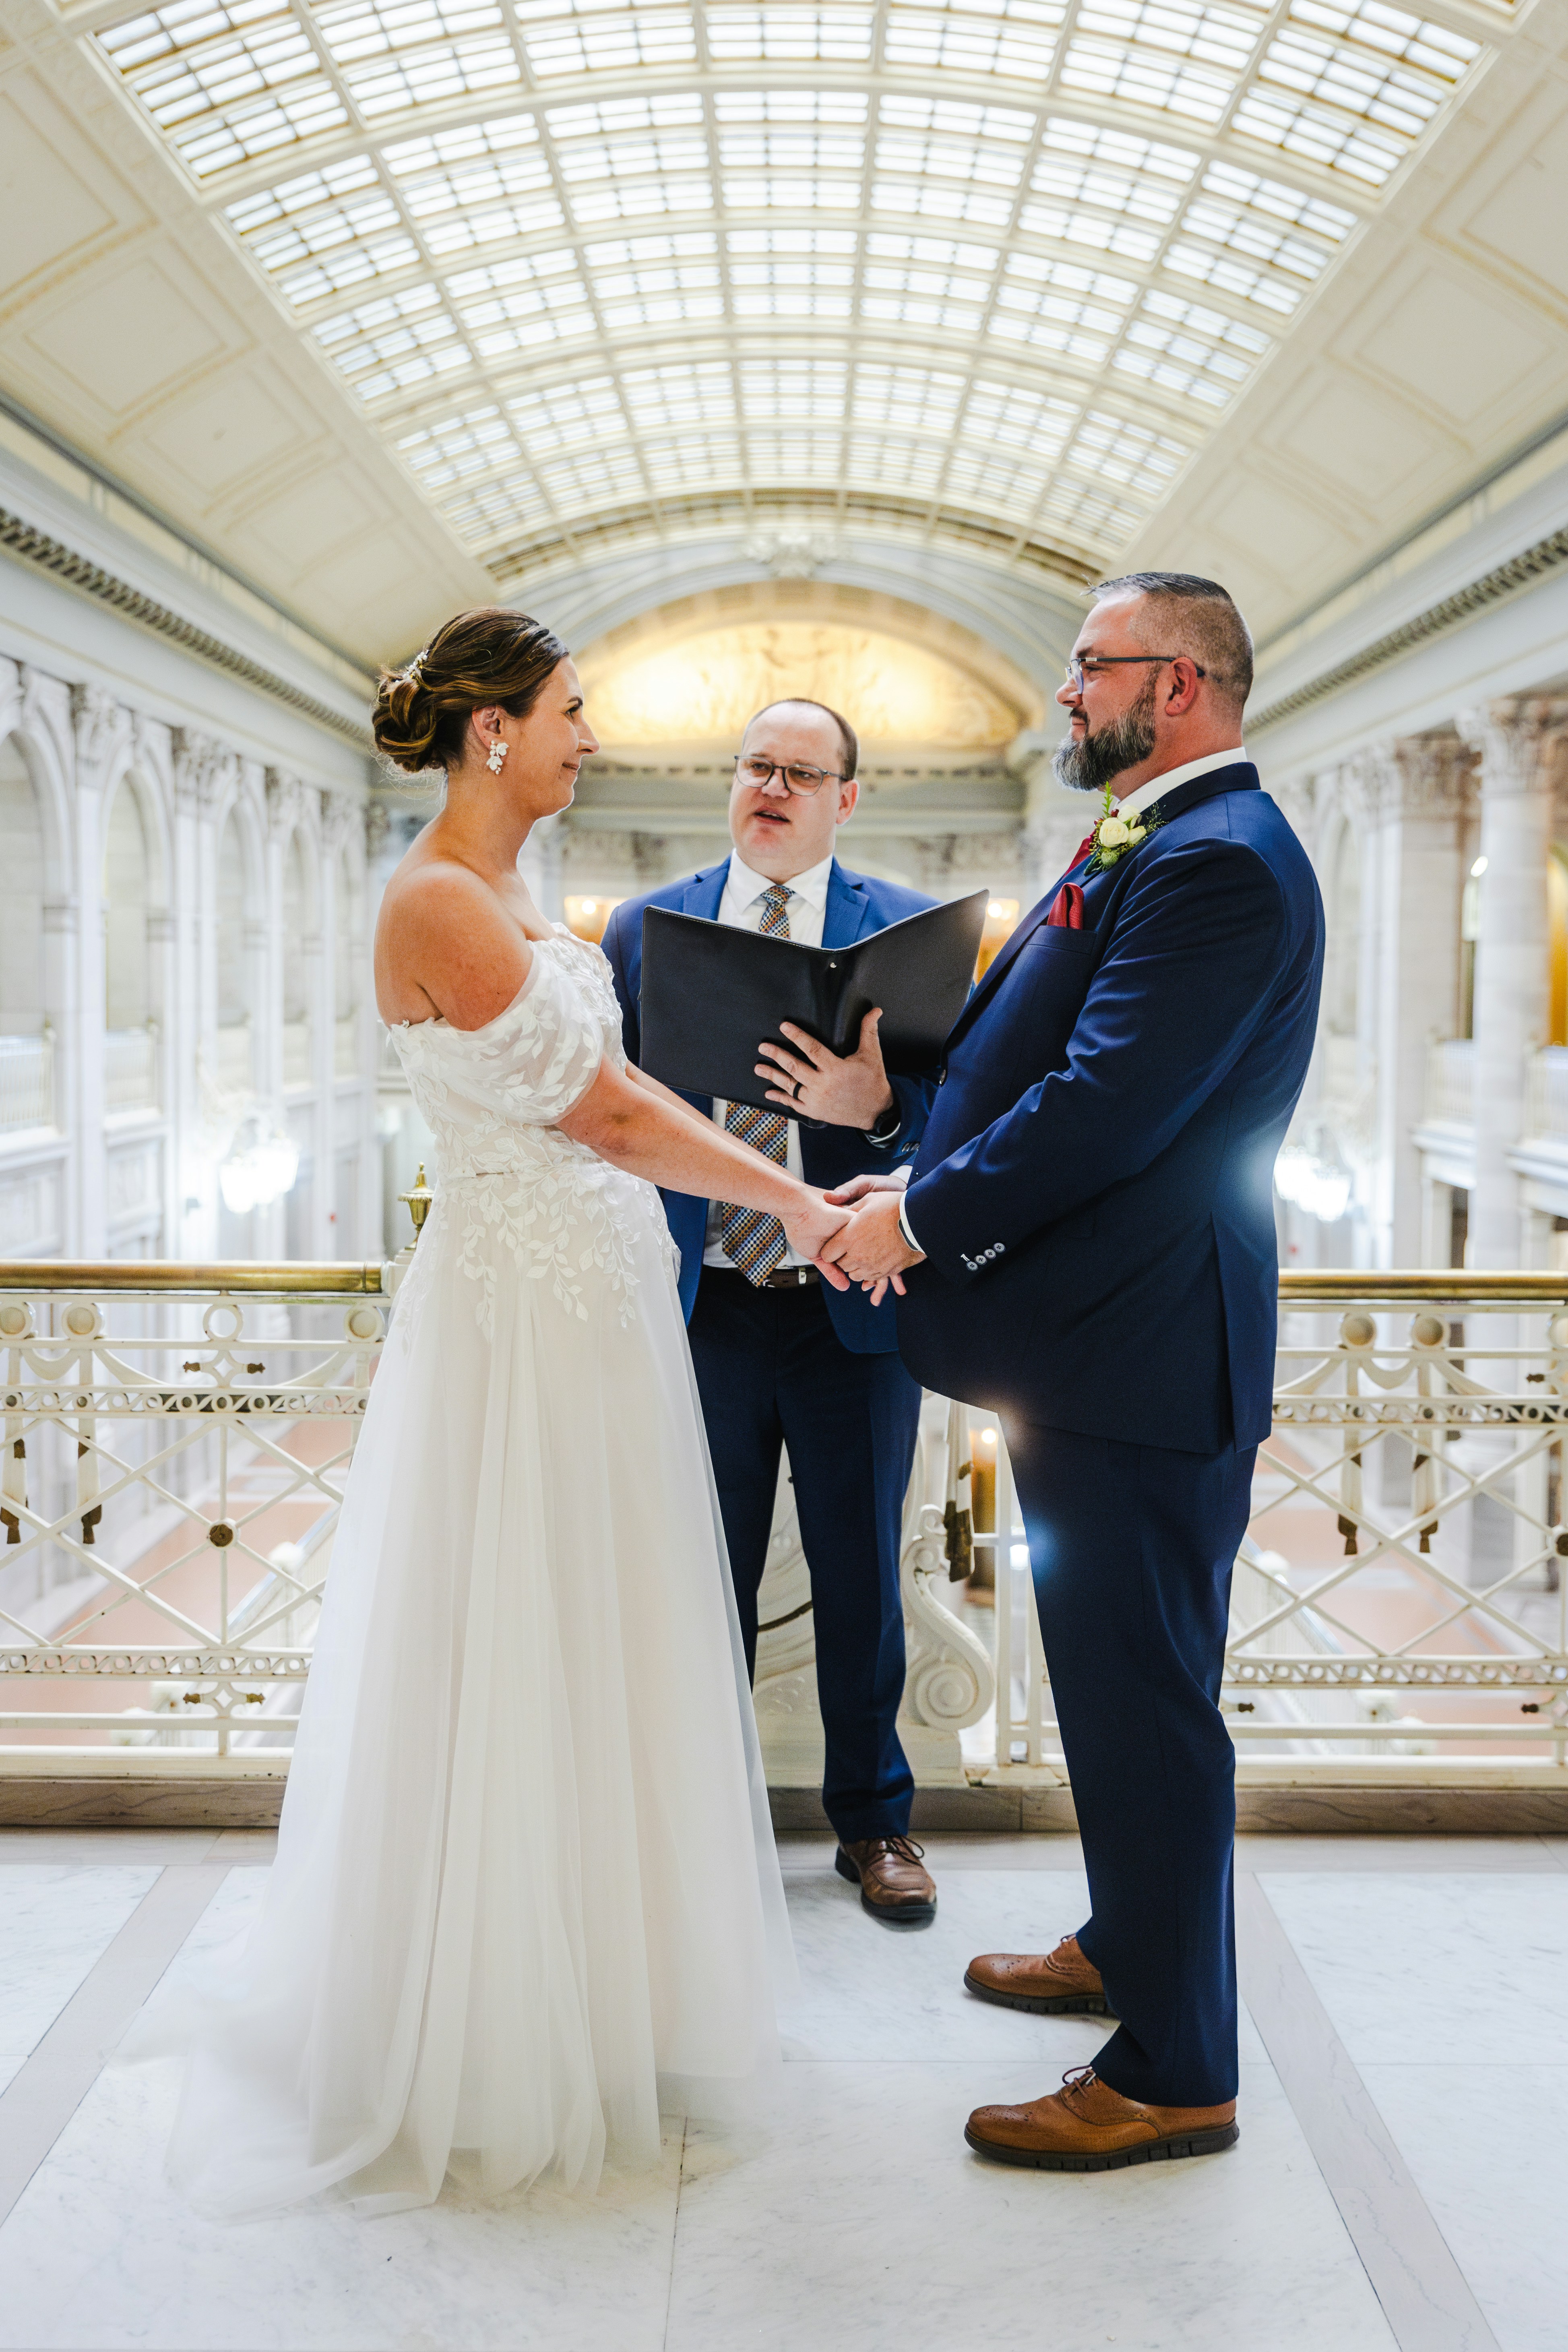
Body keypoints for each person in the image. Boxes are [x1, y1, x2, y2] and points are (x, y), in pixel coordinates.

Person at [144, 608, 854, 2218]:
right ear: (490, 736)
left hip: (597, 1307)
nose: (585, 739)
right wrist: (799, 1212)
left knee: (604, 1630)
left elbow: (637, 1097)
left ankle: (616, 1993)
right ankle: (495, 2031)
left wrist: (783, 1180)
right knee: (519, 1628)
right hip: (519, 1324)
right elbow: (602, 1117)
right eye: (566, 713)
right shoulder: (438, 905)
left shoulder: (521, 896)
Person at [822, 572, 1324, 2169]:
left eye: (1083, 669)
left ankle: (1176, 2070)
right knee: (1114, 1698)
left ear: (1174, 684)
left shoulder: (1220, 867)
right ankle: (1129, 1943)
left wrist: (913, 1215)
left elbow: (1104, 1108)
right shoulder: (1158, 840)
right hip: (1099, 1347)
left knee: (1147, 1708)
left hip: (1146, 1355)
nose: (1059, 696)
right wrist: (894, 1099)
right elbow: (1017, 1050)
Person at [601, 701, 943, 1925]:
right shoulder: (647, 927)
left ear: (847, 798)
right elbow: (613, 1107)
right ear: (730, 782)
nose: (775, 787)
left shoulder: (905, 927)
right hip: (704, 1306)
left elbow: (963, 1125)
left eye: (805, 771)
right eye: (757, 765)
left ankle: (877, 1824)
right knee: (703, 1573)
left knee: (862, 1573)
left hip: (852, 1299)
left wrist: (884, 1103)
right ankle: (702, 1824)